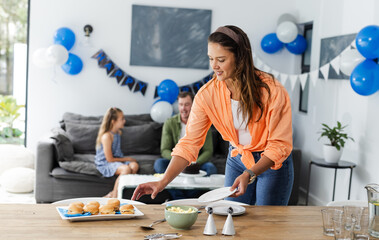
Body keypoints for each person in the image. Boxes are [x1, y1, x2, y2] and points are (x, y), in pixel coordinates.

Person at [132, 25, 294, 205]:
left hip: (272, 164)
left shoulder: (272, 90)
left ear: (240, 57)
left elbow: (279, 145)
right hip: (237, 159)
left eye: (221, 59)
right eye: (210, 59)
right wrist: (162, 182)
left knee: (267, 224)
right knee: (232, 217)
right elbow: (189, 143)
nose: (214, 66)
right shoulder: (207, 94)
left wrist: (250, 173)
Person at [154, 91, 217, 177]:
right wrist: (178, 161)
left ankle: (190, 190)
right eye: (180, 104)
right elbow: (164, 150)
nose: (183, 108)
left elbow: (208, 150)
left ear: (193, 105)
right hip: (175, 160)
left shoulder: (203, 123)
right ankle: (179, 190)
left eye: (187, 104)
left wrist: (193, 162)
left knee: (211, 168)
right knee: (159, 164)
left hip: (196, 162)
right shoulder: (169, 122)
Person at [95, 107, 139, 198]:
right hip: (106, 162)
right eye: (122, 119)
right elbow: (109, 159)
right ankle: (114, 197)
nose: (124, 121)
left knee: (134, 165)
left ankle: (118, 193)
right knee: (126, 169)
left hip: (116, 160)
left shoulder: (118, 133)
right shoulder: (106, 136)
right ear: (113, 121)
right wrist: (127, 159)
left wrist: (128, 160)